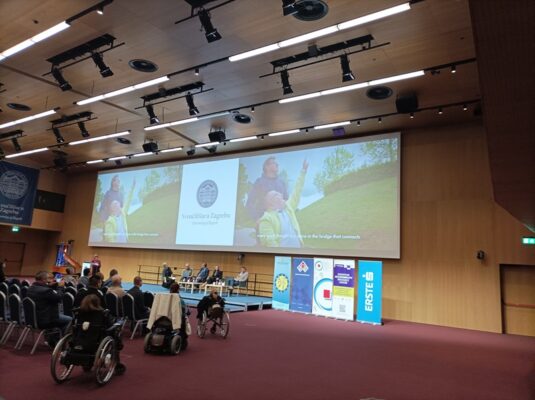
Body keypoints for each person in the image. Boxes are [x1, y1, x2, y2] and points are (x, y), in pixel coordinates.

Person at [257, 159, 308, 248]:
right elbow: (270, 243)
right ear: (271, 203)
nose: (281, 195)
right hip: (282, 255)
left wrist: (303, 172)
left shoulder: (288, 207)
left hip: (299, 251)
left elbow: (297, 190)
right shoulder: (266, 219)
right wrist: (283, 255)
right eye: (276, 195)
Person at [77, 294, 126, 375]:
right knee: (116, 333)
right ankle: (117, 363)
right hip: (97, 340)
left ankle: (87, 364)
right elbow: (109, 327)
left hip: (80, 339)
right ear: (97, 303)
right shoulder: (102, 313)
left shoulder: (79, 313)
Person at [26, 271, 72, 345]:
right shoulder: (46, 291)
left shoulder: (31, 288)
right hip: (46, 320)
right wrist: (60, 287)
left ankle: (53, 338)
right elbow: (59, 297)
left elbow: (46, 295)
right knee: (70, 320)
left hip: (33, 319)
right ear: (44, 280)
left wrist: (50, 286)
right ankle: (60, 342)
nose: (51, 280)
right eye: (49, 278)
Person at [246, 156, 289, 221]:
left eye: (276, 163)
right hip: (265, 221)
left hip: (281, 222)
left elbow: (287, 201)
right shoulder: (259, 182)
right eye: (274, 163)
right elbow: (250, 203)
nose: (277, 165)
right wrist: (257, 218)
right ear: (266, 167)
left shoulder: (281, 183)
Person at [103, 179, 135, 243]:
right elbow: (109, 238)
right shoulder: (109, 221)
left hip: (125, 243)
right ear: (113, 208)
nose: (117, 204)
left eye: (117, 203)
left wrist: (133, 187)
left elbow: (128, 200)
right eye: (115, 204)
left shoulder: (123, 213)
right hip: (117, 246)